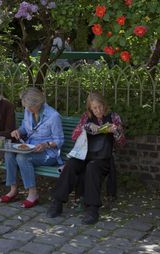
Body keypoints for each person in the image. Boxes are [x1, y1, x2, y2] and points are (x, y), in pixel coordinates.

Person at [46, 92, 126, 224]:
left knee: (92, 167)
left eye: (100, 107)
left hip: (103, 158)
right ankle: (57, 202)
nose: (98, 110)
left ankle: (92, 208)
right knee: (71, 164)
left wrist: (116, 131)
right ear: (90, 108)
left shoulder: (113, 117)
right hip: (84, 155)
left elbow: (122, 144)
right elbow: (74, 136)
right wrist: (87, 127)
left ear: (104, 105)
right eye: (95, 108)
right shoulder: (86, 117)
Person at [0, 87, 64, 208]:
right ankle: (13, 189)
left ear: (38, 103)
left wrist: (46, 144)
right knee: (8, 154)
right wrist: (18, 131)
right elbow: (25, 128)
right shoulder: (28, 110)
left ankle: (33, 193)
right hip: (30, 148)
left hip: (49, 153)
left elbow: (59, 141)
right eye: (26, 107)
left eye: (29, 107)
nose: (27, 109)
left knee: (22, 158)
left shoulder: (53, 116)